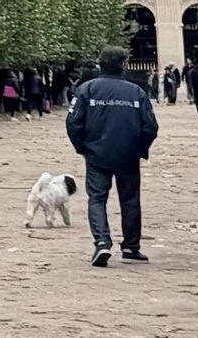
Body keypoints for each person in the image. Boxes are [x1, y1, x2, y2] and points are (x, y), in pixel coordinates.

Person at [68, 47, 159, 266]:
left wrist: (82, 147)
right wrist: (140, 149)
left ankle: (102, 242)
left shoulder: (86, 89)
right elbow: (150, 126)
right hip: (128, 154)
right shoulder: (136, 92)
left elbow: (73, 122)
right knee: (130, 200)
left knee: (97, 198)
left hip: (96, 153)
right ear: (124, 64)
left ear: (100, 64)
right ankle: (131, 247)